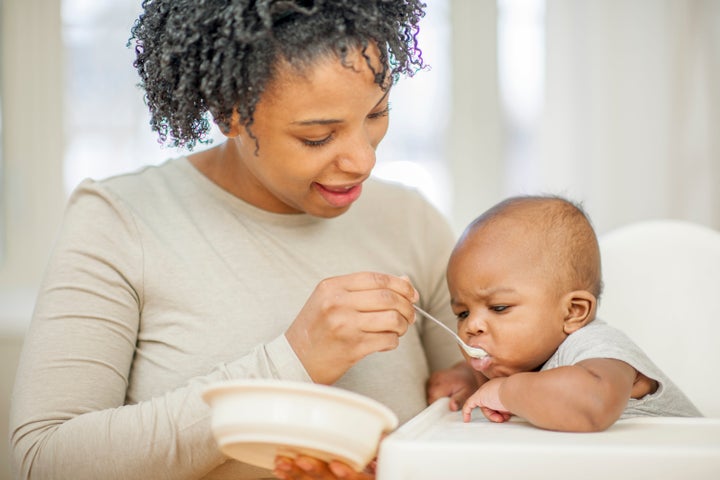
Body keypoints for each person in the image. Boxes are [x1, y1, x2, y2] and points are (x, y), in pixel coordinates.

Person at [9, 1, 478, 479]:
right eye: (317, 136)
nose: (363, 160)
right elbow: (45, 460)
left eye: (377, 114)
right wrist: (291, 363)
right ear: (229, 111)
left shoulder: (410, 219)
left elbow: (479, 408)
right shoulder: (119, 221)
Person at [449, 195, 702, 432]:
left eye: (499, 308)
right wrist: (467, 378)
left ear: (572, 312)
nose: (472, 326)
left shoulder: (597, 347)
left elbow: (593, 404)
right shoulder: (524, 359)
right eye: (462, 313)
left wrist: (505, 392)